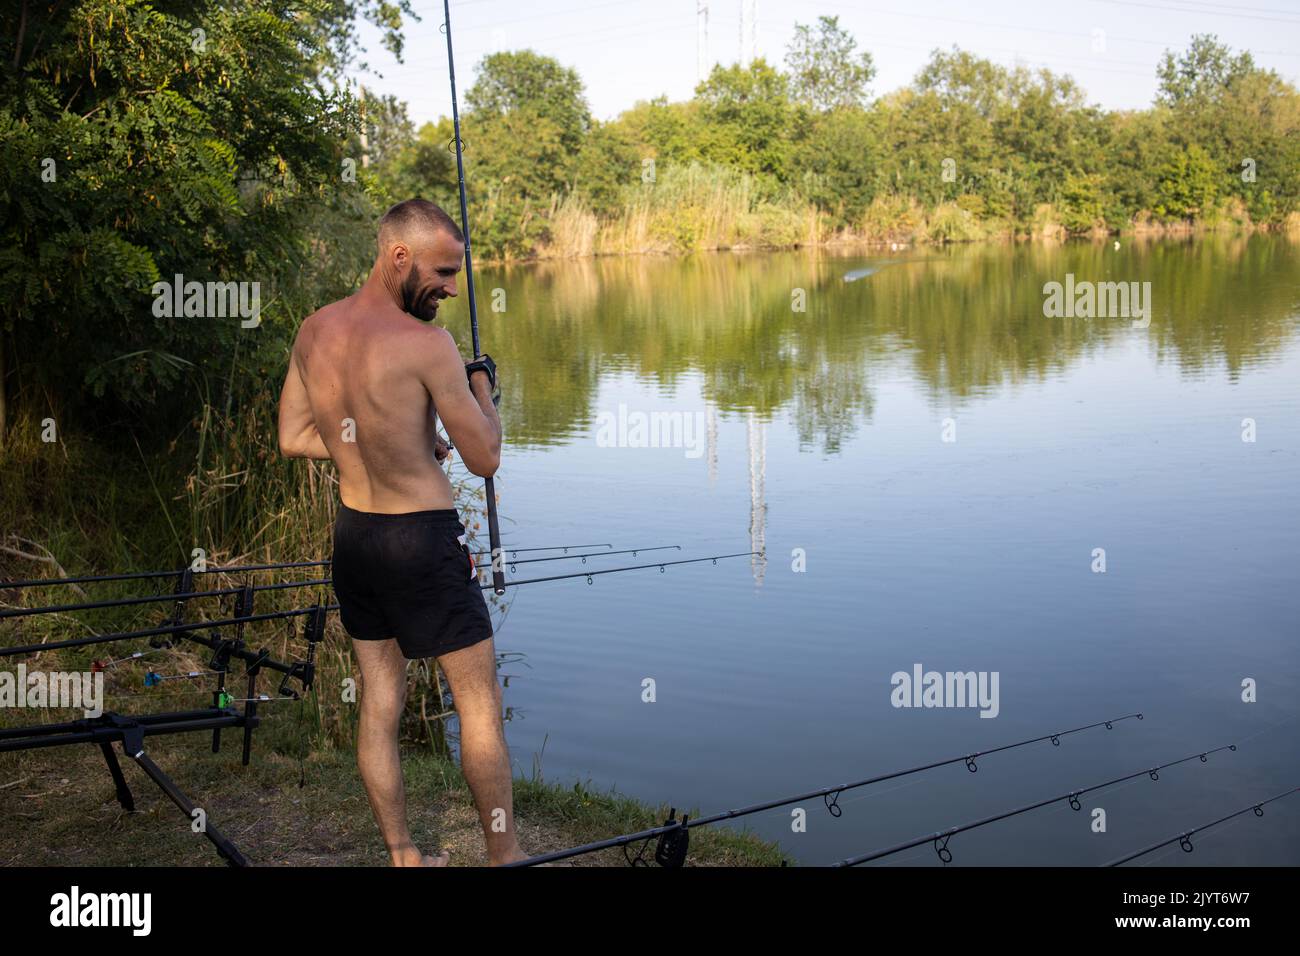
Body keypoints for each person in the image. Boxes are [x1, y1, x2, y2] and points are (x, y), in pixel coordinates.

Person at [277, 198, 523, 866]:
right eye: (442, 273)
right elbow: (487, 457)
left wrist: (397, 445)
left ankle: (405, 855)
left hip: (356, 540)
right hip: (423, 543)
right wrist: (482, 390)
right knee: (478, 705)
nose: (449, 288)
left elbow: (295, 437)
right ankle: (504, 857)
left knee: (380, 702)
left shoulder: (314, 330)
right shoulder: (427, 344)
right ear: (399, 257)